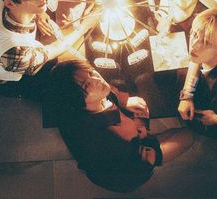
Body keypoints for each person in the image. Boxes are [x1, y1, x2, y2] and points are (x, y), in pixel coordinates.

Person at [49, 58, 193, 193]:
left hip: (126, 144)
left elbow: (76, 67)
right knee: (188, 136)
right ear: (75, 100)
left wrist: (123, 102)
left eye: (91, 72)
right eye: (86, 84)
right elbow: (136, 159)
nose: (97, 79)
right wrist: (142, 134)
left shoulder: (75, 105)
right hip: (128, 172)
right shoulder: (112, 136)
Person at [0, 0, 94, 98]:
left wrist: (39, 13)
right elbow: (53, 50)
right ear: (9, 3)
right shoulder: (16, 52)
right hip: (12, 79)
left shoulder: (7, 4)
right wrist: (85, 26)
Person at [178, 8, 217, 141]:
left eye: (206, 42)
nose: (194, 45)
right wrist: (187, 95)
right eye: (195, 34)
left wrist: (214, 119)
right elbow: (195, 59)